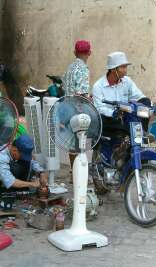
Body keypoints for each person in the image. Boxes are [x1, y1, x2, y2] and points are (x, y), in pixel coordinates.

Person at [92, 51, 152, 135]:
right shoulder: (98, 86)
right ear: (113, 69)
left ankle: (142, 133)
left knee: (146, 101)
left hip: (127, 115)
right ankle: (131, 133)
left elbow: (138, 96)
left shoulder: (127, 81)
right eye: (123, 67)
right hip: (111, 119)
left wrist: (150, 107)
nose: (125, 70)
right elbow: (99, 108)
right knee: (101, 119)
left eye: (126, 67)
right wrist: (113, 113)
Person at [0, 134, 48, 208]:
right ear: (14, 150)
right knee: (15, 167)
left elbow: (32, 162)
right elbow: (10, 181)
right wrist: (32, 184)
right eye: (22, 155)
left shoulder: (17, 150)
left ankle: (19, 191)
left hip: (8, 182)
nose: (24, 157)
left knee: (26, 162)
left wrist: (41, 172)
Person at [62, 40, 92, 170]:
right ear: (89, 53)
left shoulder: (69, 68)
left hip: (67, 108)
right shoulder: (83, 69)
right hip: (78, 110)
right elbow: (81, 93)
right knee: (80, 142)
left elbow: (64, 85)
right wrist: (90, 99)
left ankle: (73, 172)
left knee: (71, 142)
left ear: (75, 52)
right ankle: (79, 173)